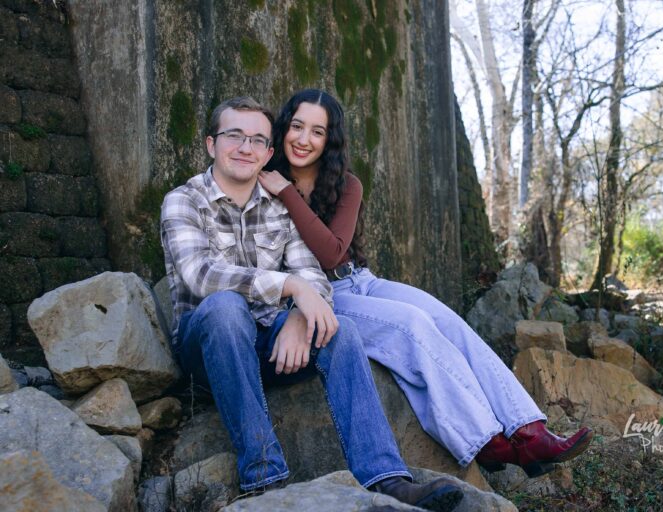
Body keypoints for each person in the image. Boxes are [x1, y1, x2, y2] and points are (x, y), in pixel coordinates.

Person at [259, 89, 594, 478]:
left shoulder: (346, 184)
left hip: (360, 281)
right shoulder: (267, 183)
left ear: (329, 140)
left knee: (447, 320)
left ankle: (528, 429)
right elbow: (326, 257)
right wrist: (284, 190)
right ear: (284, 127)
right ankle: (485, 440)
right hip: (323, 298)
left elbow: (337, 252)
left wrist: (287, 193)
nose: (304, 139)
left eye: (317, 131)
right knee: (411, 326)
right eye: (297, 126)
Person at [160, 96, 464, 511]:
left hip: (269, 350)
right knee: (225, 308)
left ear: (269, 153)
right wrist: (291, 288)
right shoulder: (183, 200)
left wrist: (301, 315)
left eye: (257, 140)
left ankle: (386, 478)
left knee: (342, 332)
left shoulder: (279, 210)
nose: (245, 148)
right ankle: (265, 479)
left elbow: (314, 279)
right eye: (234, 136)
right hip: (207, 350)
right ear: (211, 144)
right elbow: (201, 276)